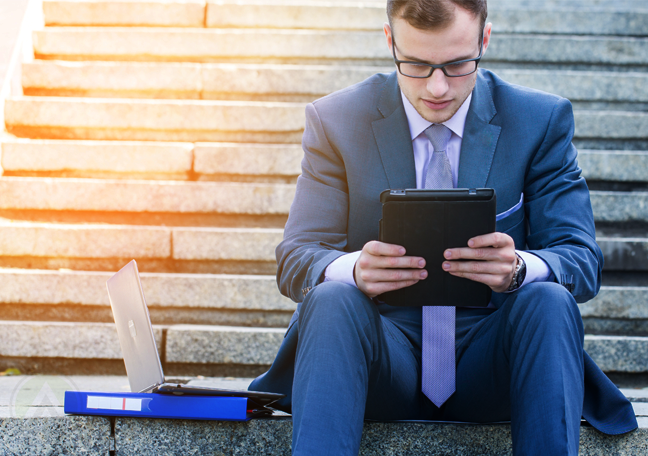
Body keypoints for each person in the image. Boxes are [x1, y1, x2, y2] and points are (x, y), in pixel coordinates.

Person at [249, 0, 638, 454]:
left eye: (457, 65)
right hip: (378, 360)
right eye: (415, 65)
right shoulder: (336, 121)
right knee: (332, 295)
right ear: (390, 41)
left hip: (495, 363)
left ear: (484, 40)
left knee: (549, 298)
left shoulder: (538, 121)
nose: (437, 87)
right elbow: (296, 258)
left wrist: (518, 268)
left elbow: (581, 260)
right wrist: (353, 270)